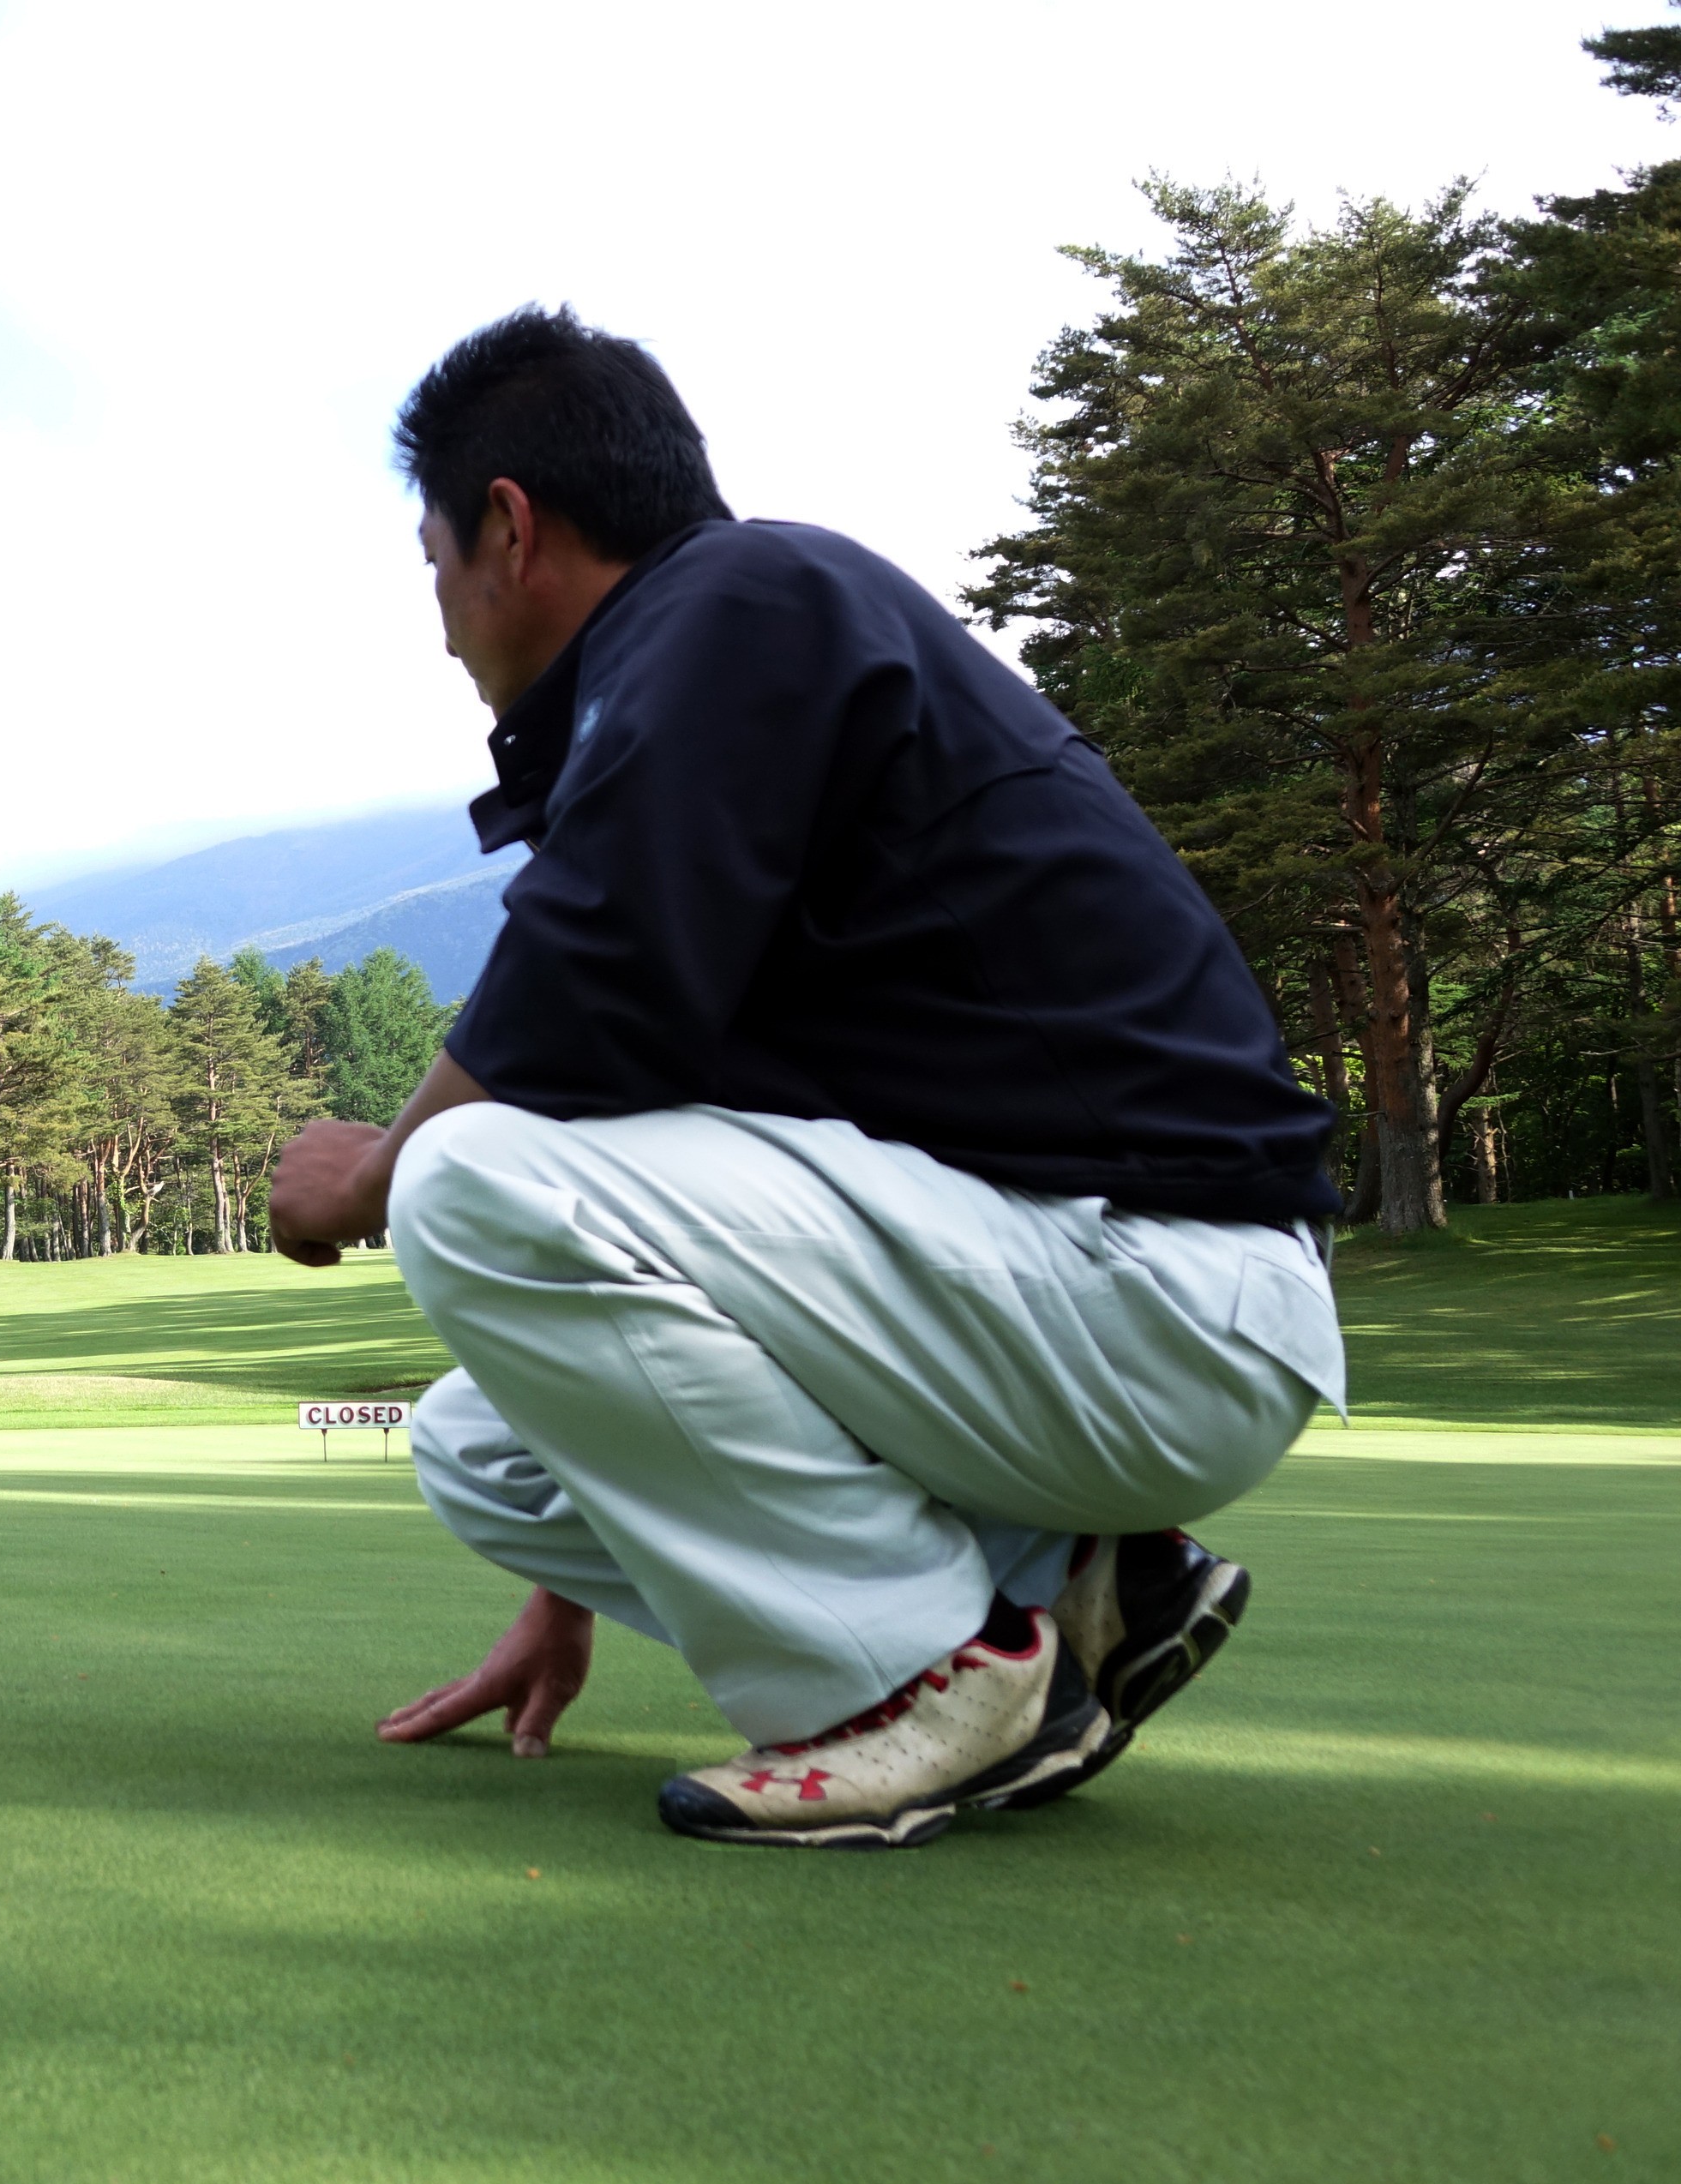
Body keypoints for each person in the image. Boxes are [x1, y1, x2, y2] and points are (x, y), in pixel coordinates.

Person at [264, 307, 1347, 1850]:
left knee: (458, 1175)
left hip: (1160, 1293)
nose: (439, 620)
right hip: (1092, 1303)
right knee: (478, 1447)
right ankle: (1087, 1583)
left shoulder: (732, 605)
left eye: (432, 563)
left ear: (510, 528)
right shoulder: (722, 653)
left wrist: (363, 1182)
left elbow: (577, 1003)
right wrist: (586, 1566)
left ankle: (935, 1677)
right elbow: (639, 1123)